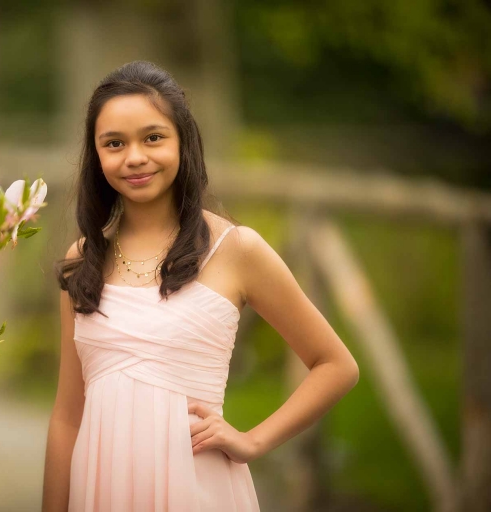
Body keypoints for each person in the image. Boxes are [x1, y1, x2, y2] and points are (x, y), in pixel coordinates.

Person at [42, 60, 359, 512]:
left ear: (182, 141)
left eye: (153, 137)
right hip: (102, 488)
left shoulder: (237, 249)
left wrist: (253, 440)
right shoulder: (83, 261)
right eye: (114, 143)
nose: (134, 156)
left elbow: (335, 365)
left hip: (197, 486)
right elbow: (67, 417)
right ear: (96, 156)